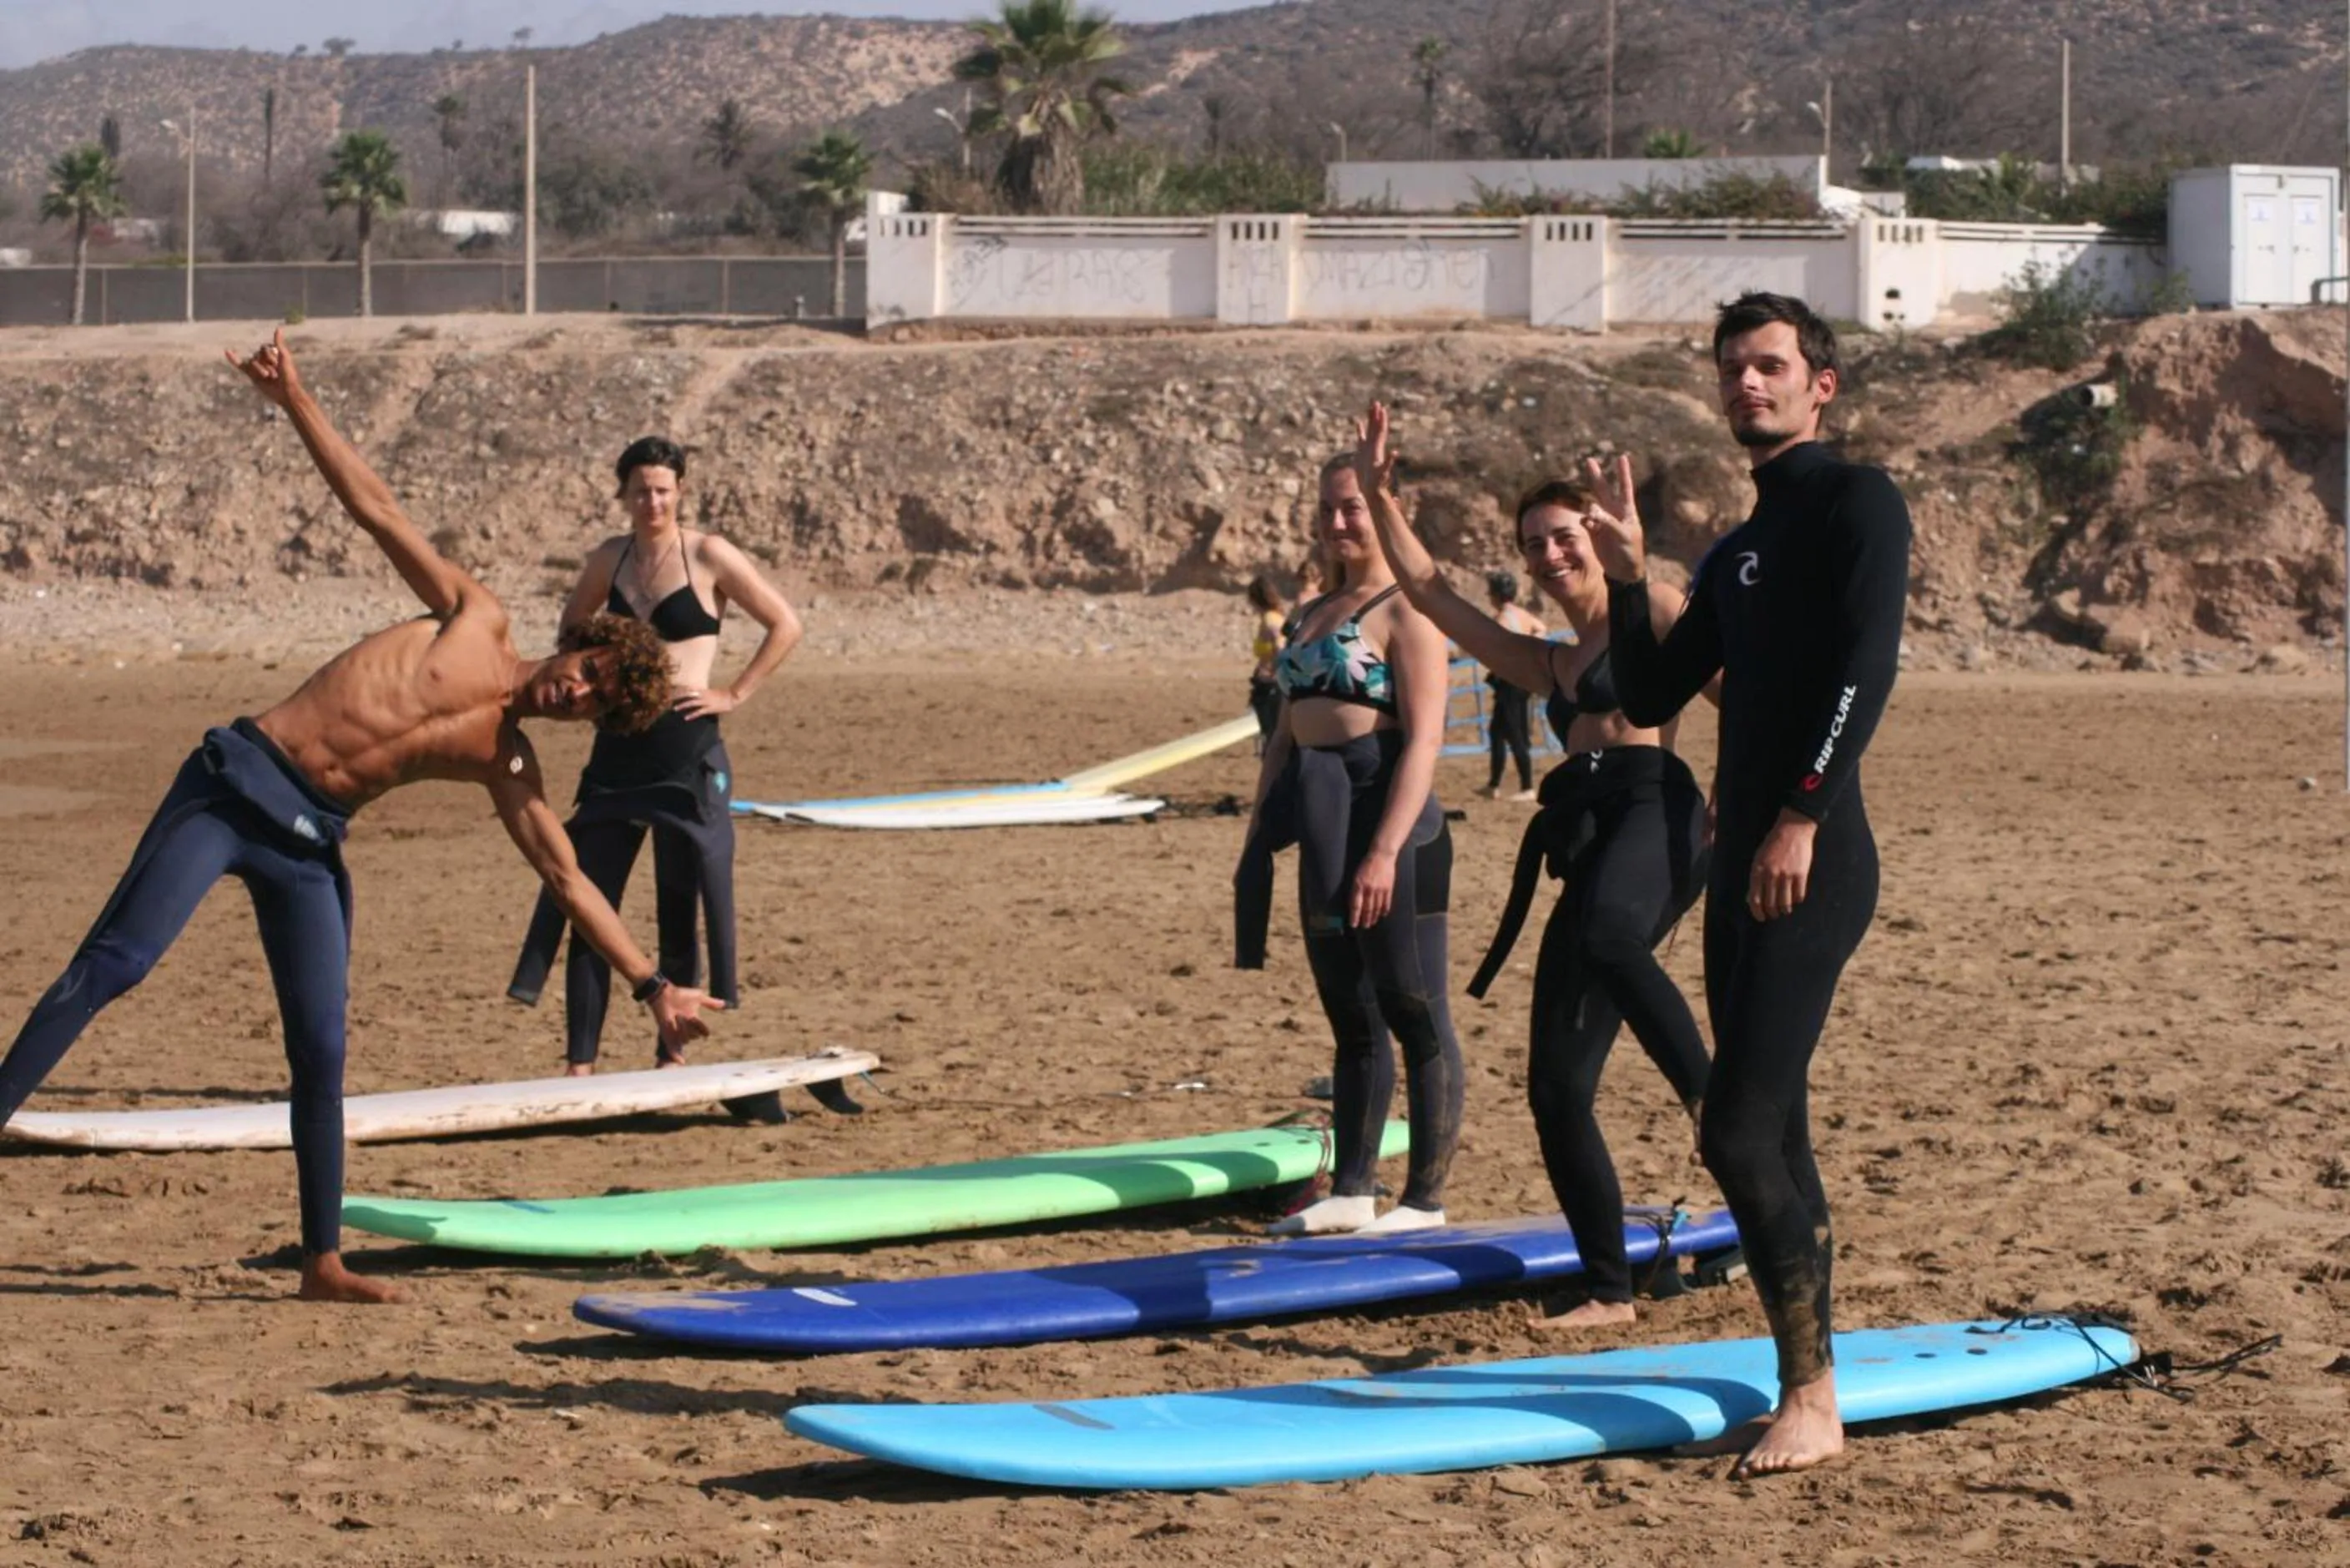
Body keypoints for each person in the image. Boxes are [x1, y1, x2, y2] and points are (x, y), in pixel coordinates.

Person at [0, 330, 724, 1303]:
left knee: (323, 1046)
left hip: (308, 843)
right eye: (585, 672)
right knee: (117, 964)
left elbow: (564, 876)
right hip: (234, 782)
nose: (575, 695)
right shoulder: (475, 614)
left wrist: (652, 985)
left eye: (593, 703)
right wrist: (294, 396)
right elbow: (373, 508)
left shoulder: (507, 762)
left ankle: (322, 1260)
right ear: (576, 646)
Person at [1581, 292, 1912, 1476]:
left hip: (1809, 858)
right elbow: (1653, 694)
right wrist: (1628, 577)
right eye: (1730, 369)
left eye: (1769, 366)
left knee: (1733, 1123)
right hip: (1749, 864)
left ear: (1820, 383)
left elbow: (1868, 665)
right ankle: (1810, 1371)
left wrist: (1802, 813)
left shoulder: (1854, 502)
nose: (1746, 385)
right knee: (1775, 1122)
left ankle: (1812, 1397)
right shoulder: (1741, 545)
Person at [1353, 403, 1712, 1329]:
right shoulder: (1550, 664)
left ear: (1596, 534)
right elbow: (1431, 594)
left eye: (1562, 536)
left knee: (1606, 932)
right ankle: (1606, 1289)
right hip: (1587, 836)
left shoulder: (1658, 609)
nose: (1548, 555)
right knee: (1554, 1086)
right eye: (1532, 545)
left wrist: (1768, 807)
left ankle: (1714, 1102)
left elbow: (1741, 693)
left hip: (1655, 810)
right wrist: (1377, 492)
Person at [506, 436, 802, 1076]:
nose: (653, 500)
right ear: (624, 494)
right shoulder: (609, 559)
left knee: (678, 897)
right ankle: (579, 1061)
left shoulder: (708, 554)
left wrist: (734, 692)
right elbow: (569, 632)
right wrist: (587, 695)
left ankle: (672, 1053)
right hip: (617, 747)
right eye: (641, 489)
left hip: (685, 742)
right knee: (591, 899)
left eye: (664, 488)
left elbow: (785, 623)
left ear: (681, 491)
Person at [1233, 453, 1464, 1236]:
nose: (1339, 522)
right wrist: (1259, 830)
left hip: (1389, 814)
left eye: (1356, 508)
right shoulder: (1312, 610)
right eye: (1329, 508)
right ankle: (1353, 1188)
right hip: (1322, 815)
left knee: (1413, 1007)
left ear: (1386, 511)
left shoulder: (1411, 609)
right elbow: (1284, 736)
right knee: (1350, 1014)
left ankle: (1424, 1200)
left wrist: (1384, 853)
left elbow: (1427, 740)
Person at [1478, 569, 1547, 802]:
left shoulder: (1501, 619)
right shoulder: (1523, 615)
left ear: (1496, 595)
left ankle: (1527, 787)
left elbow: (1494, 649)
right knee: (1496, 733)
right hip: (1521, 682)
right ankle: (1493, 785)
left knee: (1515, 735)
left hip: (1509, 683)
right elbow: (1541, 628)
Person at [1244, 574, 1288, 749]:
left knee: (1269, 732)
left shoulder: (1269, 620)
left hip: (1270, 684)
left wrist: (1274, 671)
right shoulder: (1277, 616)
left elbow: (1280, 646)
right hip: (1271, 682)